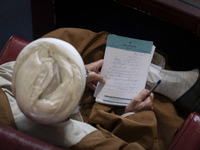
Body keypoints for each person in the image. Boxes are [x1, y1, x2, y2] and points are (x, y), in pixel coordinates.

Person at [0, 28, 199, 149]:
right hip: (90, 124)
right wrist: (132, 116)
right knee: (155, 106)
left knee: (65, 39)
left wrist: (80, 73)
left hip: (44, 106)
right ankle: (172, 81)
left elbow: (11, 73)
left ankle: (154, 72)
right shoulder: (86, 143)